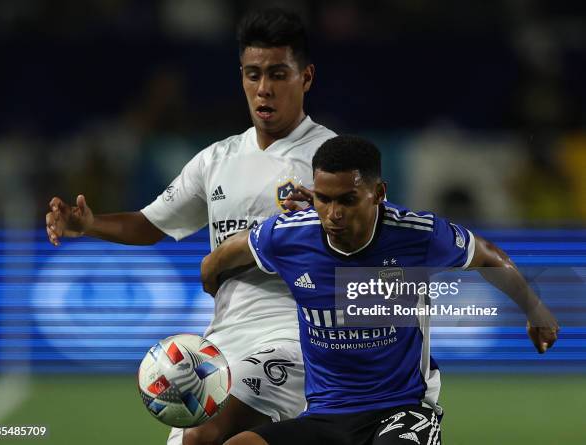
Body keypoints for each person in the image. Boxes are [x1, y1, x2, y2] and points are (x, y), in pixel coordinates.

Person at [45, 9, 336, 445]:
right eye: (253, 74)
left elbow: (371, 241)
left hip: (297, 336)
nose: (264, 89)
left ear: (306, 77)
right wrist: (89, 224)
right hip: (222, 342)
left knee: (203, 435)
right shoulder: (217, 160)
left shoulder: (331, 159)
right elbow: (151, 223)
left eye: (278, 74)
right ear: (241, 76)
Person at [200, 135, 560, 445]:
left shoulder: (416, 236)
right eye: (324, 198)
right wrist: (210, 274)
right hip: (327, 415)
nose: (333, 214)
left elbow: (488, 257)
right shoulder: (291, 236)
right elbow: (227, 254)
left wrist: (535, 310)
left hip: (402, 411)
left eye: (347, 200)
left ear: (378, 193)